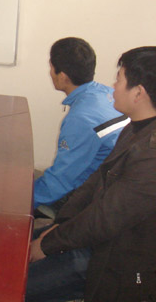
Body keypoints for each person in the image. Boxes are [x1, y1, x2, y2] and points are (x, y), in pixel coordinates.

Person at [27, 46, 156, 302]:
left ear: (138, 93)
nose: (113, 87)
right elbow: (97, 178)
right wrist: (61, 224)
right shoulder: (136, 126)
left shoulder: (150, 155)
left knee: (15, 284)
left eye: (119, 80)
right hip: (94, 231)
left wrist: (49, 244)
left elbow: (106, 218)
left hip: (114, 256)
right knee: (19, 243)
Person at [33, 38, 128, 215]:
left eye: (51, 68)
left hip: (91, 197)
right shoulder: (107, 93)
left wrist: (21, 203)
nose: (50, 73)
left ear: (62, 76)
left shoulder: (81, 120)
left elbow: (60, 181)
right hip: (112, 184)